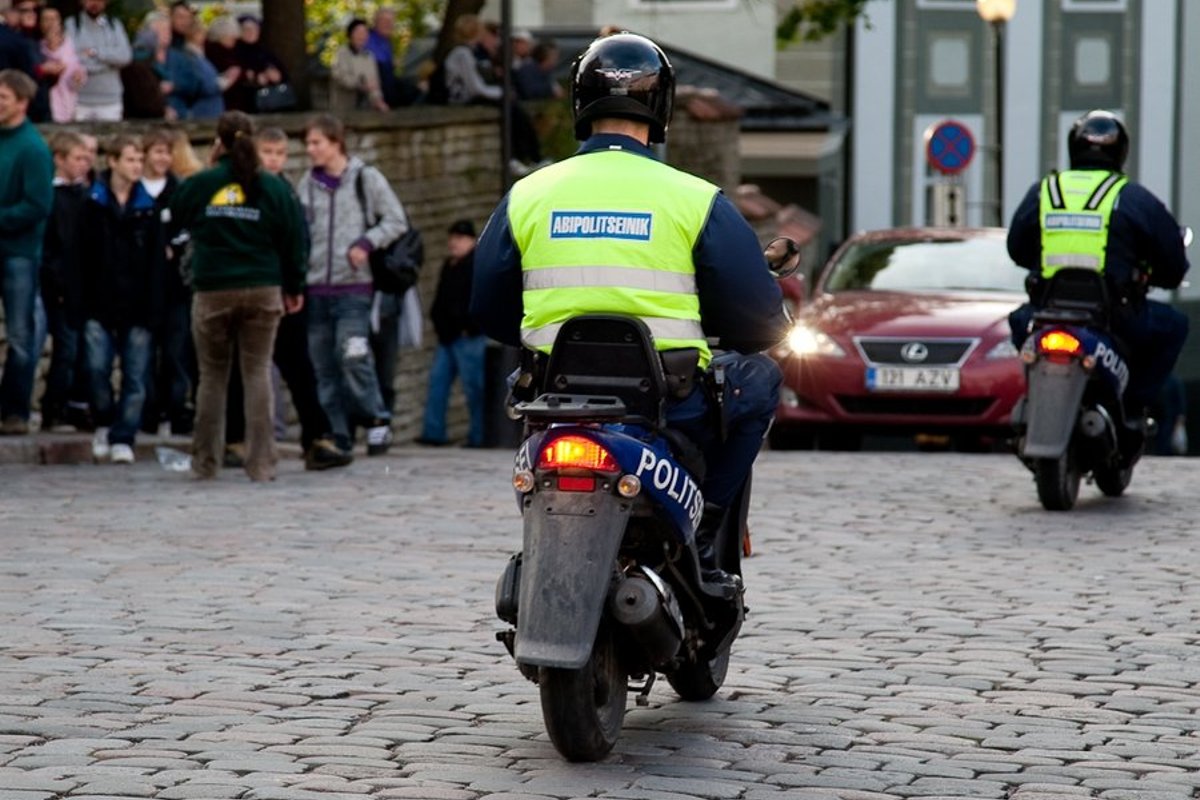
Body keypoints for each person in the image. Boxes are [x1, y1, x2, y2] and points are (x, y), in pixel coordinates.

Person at [471, 33, 789, 580]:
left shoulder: (527, 193)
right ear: (661, 107)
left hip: (555, 399)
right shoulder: (695, 198)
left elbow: (488, 308)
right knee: (760, 377)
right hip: (670, 404)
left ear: (579, 104)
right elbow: (759, 323)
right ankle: (706, 525)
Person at [1007, 110, 1190, 419]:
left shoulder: (1045, 191)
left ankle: (1036, 390)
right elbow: (1173, 265)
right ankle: (1132, 407)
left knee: (1015, 322)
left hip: (1045, 312)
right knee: (1175, 325)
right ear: (1120, 152)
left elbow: (1017, 249)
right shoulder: (1133, 198)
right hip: (1115, 317)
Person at [168, 111, 307, 482]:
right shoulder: (273, 187)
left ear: (219, 141)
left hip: (213, 287)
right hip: (262, 285)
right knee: (257, 371)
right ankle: (261, 463)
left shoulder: (205, 182)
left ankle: (205, 461)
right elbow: (294, 239)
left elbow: (175, 216)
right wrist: (294, 286)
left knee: (212, 376)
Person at [222, 127, 352, 472]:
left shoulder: (286, 191)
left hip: (287, 290)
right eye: (268, 152)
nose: (274, 160)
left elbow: (299, 244)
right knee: (241, 366)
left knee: (298, 367)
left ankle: (316, 436)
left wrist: (295, 286)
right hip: (253, 287)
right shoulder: (248, 191)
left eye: (280, 153)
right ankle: (235, 438)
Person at [298, 113, 405, 457]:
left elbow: (395, 220)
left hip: (354, 288)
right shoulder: (306, 185)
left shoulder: (365, 178)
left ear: (335, 143)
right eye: (308, 143)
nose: (310, 149)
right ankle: (338, 431)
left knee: (353, 354)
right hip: (315, 289)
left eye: (316, 142)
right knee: (322, 367)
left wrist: (366, 243)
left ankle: (376, 418)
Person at [79, 134, 165, 463]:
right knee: (96, 369)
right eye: (130, 159)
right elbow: (79, 257)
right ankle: (103, 420)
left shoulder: (147, 209)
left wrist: (154, 306)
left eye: (139, 160)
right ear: (112, 161)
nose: (136, 166)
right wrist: (78, 302)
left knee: (136, 375)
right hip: (98, 301)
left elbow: (157, 262)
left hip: (138, 303)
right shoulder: (92, 204)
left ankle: (124, 435)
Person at [0, 68, 52, 436]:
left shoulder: (33, 148)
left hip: (18, 252)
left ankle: (15, 410)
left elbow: (36, 206)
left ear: (21, 102)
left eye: (3, 98)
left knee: (20, 333)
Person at [137, 128, 194, 437]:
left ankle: (177, 410)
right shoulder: (136, 191)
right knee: (143, 355)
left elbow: (189, 231)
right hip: (144, 287)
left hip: (175, 286)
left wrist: (173, 244)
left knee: (176, 352)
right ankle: (147, 411)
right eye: (157, 151)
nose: (162, 158)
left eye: (167, 153)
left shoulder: (179, 190)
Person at [442, 13, 543, 175]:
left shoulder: (468, 52)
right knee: (511, 108)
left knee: (515, 110)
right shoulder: (462, 54)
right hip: (465, 100)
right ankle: (521, 157)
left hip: (474, 96)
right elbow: (475, 87)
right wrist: (501, 93)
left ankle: (530, 156)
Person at [38, 131, 91, 432]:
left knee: (82, 351)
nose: (84, 164)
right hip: (60, 287)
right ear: (59, 159)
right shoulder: (51, 197)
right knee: (66, 348)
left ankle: (76, 404)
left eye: (86, 158)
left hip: (83, 288)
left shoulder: (85, 196)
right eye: (77, 158)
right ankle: (54, 407)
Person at [417, 219, 485, 448]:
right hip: (447, 337)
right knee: (437, 383)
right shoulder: (450, 265)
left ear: (471, 241)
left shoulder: (476, 264)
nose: (454, 243)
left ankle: (479, 436)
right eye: (452, 238)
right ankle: (433, 432)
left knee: (474, 388)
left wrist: (472, 326)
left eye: (460, 238)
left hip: (468, 337)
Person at [65, 0, 130, 122]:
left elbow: (124, 56)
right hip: (80, 99)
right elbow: (72, 58)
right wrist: (109, 65)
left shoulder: (114, 25)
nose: (95, 3)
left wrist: (95, 52)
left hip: (110, 100)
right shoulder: (72, 25)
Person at [39, 6, 86, 123]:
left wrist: (78, 78)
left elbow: (77, 76)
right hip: (46, 107)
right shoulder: (35, 46)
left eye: (54, 19)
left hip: (69, 106)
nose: (51, 23)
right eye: (46, 19)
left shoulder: (70, 45)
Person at [330, 18, 387, 113]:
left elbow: (374, 83)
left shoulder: (369, 56)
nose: (362, 36)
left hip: (366, 108)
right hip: (344, 108)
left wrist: (378, 101)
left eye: (365, 33)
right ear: (350, 34)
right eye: (358, 32)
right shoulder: (341, 54)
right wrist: (361, 85)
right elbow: (340, 77)